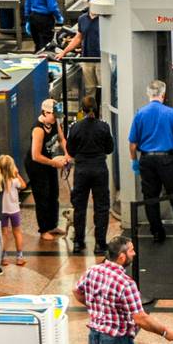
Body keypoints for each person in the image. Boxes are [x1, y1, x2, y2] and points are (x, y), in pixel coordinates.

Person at [128, 80, 173, 244]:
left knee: (150, 197)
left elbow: (133, 144)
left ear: (148, 94)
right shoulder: (171, 113)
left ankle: (157, 232)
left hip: (146, 160)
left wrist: (134, 161)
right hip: (167, 160)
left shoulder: (140, 114)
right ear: (163, 94)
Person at [67, 96, 114, 257]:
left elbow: (71, 150)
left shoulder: (75, 127)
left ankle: (78, 242)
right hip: (99, 169)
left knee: (79, 206)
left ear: (82, 109)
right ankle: (100, 243)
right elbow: (109, 148)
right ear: (97, 108)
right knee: (101, 206)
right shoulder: (103, 127)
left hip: (81, 170)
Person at [29, 100, 69, 240]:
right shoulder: (38, 130)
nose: (56, 118)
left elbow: (62, 138)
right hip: (37, 166)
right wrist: (54, 163)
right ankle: (44, 229)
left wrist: (67, 153)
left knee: (54, 194)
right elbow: (35, 155)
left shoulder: (54, 123)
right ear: (45, 113)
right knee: (42, 197)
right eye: (54, 115)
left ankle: (52, 225)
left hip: (49, 163)